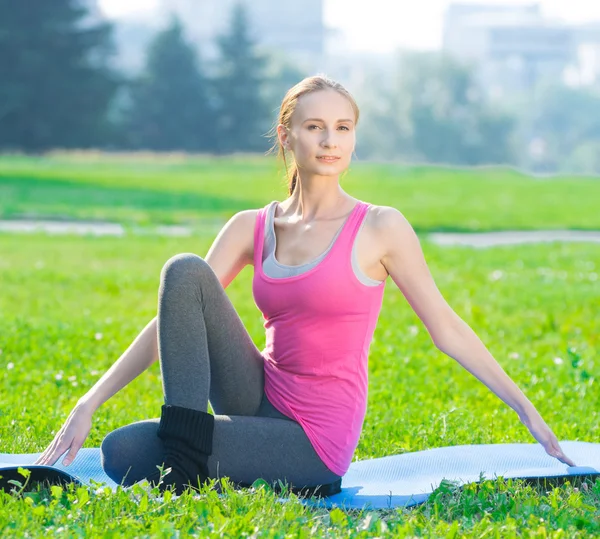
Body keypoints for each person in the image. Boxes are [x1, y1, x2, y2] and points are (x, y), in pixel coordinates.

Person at [34, 74, 576, 497]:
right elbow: (170, 320)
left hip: (314, 439)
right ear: (287, 134)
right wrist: (90, 398)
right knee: (184, 272)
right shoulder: (252, 225)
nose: (330, 140)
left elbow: (445, 328)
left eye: (343, 127)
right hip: (258, 396)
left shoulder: (381, 227)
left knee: (123, 451)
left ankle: (182, 458)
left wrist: (525, 407)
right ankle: (185, 446)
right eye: (315, 126)